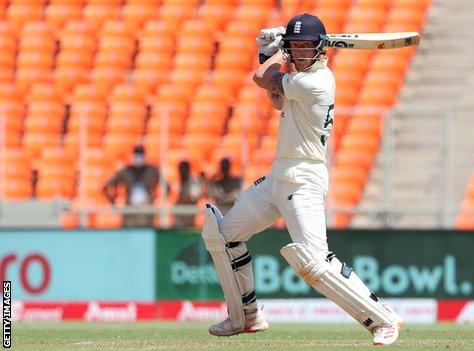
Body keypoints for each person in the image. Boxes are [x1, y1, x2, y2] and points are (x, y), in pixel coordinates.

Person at [200, 14, 402, 345]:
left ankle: (384, 319)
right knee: (224, 236)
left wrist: (275, 51)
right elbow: (275, 95)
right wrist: (272, 53)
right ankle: (246, 317)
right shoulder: (298, 80)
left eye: (306, 46)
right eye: (296, 46)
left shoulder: (317, 82)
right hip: (280, 175)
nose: (300, 52)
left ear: (320, 48)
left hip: (305, 177)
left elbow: (261, 78)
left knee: (314, 262)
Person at [103, 145, 161, 227]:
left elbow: (167, 187)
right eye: (137, 154)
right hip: (130, 216)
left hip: (146, 216)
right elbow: (106, 187)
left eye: (140, 155)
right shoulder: (126, 171)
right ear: (133, 156)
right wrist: (113, 201)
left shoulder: (152, 171)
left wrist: (156, 197)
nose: (138, 158)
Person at [173, 160, 202, 228]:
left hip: (189, 217)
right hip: (179, 218)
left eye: (184, 169)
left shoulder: (193, 183)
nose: (182, 172)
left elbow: (193, 198)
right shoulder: (178, 183)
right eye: (180, 169)